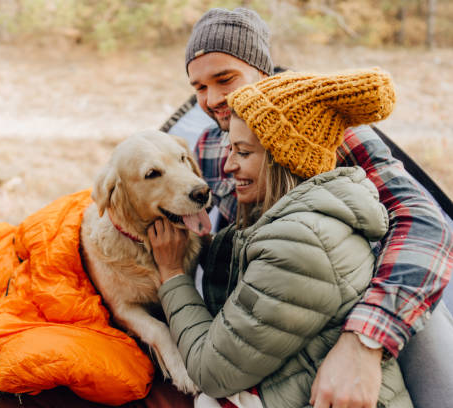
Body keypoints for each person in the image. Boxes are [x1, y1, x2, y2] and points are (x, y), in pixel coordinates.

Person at [181, 8, 452, 408]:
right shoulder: (206, 147)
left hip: (369, 291)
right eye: (198, 87)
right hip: (279, 300)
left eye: (225, 79)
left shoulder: (327, 130)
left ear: (262, 70)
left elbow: (422, 222)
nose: (212, 99)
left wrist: (365, 339)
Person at [149, 68, 412, 407]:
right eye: (230, 150)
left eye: (242, 153)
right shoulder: (287, 223)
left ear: (283, 158)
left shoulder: (301, 244)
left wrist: (171, 274)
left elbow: (211, 373)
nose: (228, 166)